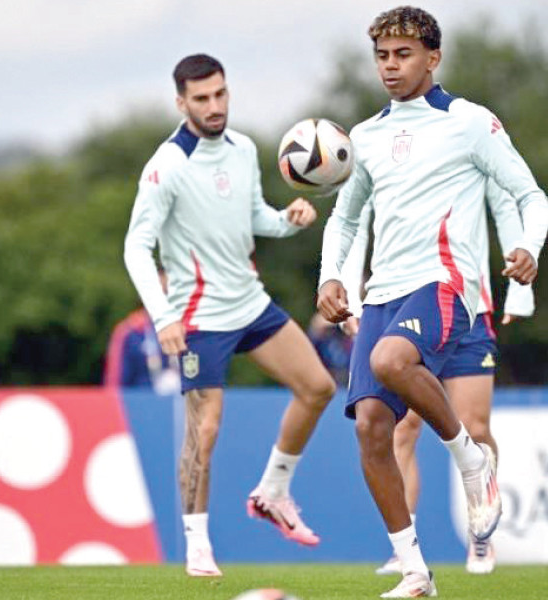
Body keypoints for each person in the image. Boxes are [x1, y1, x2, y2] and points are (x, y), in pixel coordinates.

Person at [316, 7, 548, 597]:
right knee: (371, 427)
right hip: (381, 294)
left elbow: (530, 194)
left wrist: (528, 247)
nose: (391, 67)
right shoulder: (364, 137)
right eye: (383, 56)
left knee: (392, 363)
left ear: (433, 57)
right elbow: (344, 218)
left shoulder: (469, 122)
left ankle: (472, 462)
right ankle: (415, 570)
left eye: (403, 55)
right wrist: (331, 278)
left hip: (445, 282)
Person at [123, 54, 336, 578]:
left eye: (220, 94)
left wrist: (289, 219)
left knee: (319, 387)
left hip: (250, 302)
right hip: (198, 317)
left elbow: (253, 215)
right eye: (201, 99)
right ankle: (197, 544)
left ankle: (272, 491)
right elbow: (135, 248)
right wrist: (164, 316)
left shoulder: (242, 148)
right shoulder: (166, 166)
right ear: (181, 103)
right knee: (206, 429)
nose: (214, 106)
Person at [343, 184, 534, 577]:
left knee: (475, 424)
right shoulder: (393, 157)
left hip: (469, 309)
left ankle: (481, 528)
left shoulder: (465, 145)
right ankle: (406, 548)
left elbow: (507, 202)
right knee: (403, 429)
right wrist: (348, 291)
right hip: (410, 307)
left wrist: (520, 295)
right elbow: (353, 222)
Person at [104, 269, 181, 395]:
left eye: (166, 293)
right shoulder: (129, 332)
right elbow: (114, 384)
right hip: (139, 409)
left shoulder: (188, 330)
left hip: (181, 409)